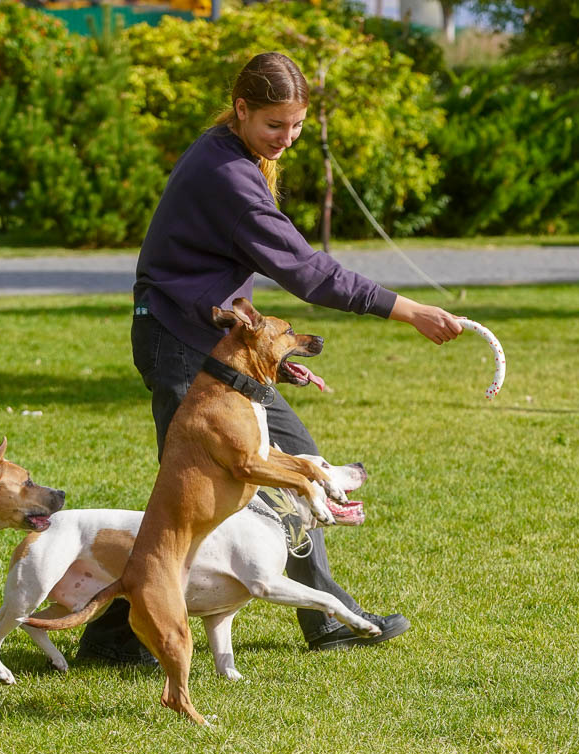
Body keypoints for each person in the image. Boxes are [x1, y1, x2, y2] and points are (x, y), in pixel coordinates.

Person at [77, 51, 463, 665]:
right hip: (182, 345)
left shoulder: (232, 155)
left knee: (290, 461)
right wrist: (408, 311)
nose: (286, 140)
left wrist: (267, 358)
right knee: (195, 499)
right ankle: (115, 637)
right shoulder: (229, 177)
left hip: (214, 345)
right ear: (240, 110)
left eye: (297, 127)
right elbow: (310, 273)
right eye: (273, 126)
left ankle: (317, 615)